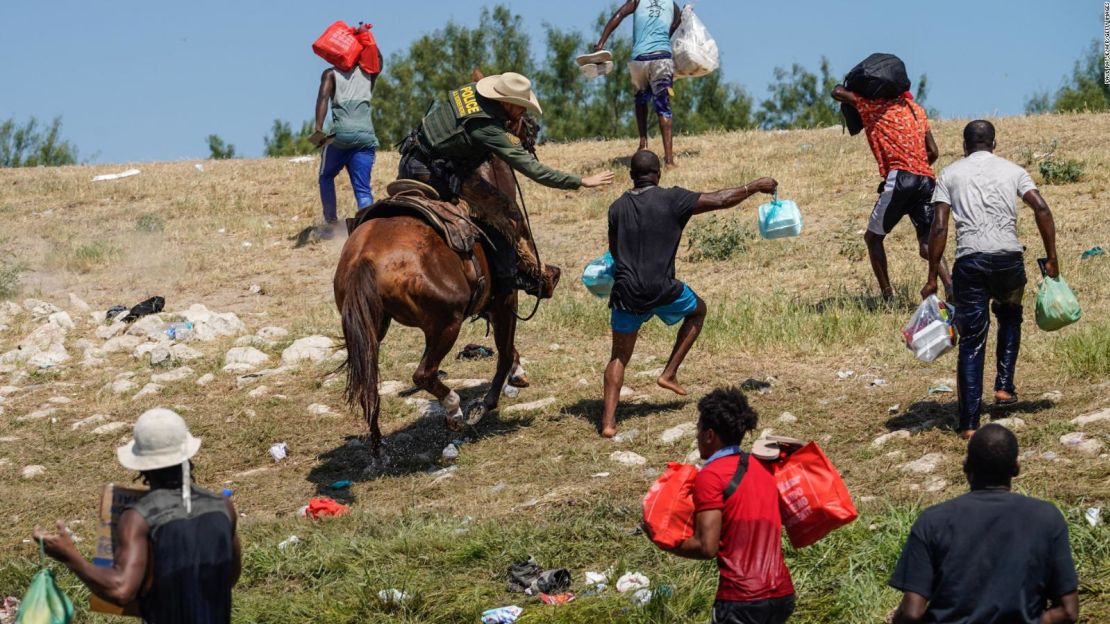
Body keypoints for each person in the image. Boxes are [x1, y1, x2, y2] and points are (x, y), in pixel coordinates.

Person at [601, 150, 776, 438]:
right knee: (698, 310)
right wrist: (753, 186)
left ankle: (608, 423)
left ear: (631, 176)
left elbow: (615, 251)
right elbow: (720, 199)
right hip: (662, 288)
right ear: (658, 174)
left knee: (618, 355)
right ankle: (668, 372)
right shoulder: (672, 198)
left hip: (626, 291)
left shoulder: (616, 207)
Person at [398, 72, 614, 298]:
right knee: (506, 213)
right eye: (521, 106)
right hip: (434, 173)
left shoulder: (473, 90)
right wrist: (580, 181)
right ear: (505, 102)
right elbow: (534, 170)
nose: (524, 111)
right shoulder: (489, 129)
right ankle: (511, 276)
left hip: (411, 156)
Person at [34, 408, 242, 624]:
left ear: (142, 465)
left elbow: (121, 589)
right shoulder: (223, 507)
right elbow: (230, 576)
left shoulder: (139, 518)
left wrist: (71, 557)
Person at [921, 120, 1060, 439]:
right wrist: (1052, 257)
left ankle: (970, 423)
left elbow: (939, 227)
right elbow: (1041, 209)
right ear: (994, 144)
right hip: (1008, 259)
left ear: (965, 146)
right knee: (1010, 315)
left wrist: (933, 276)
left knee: (971, 339)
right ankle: (1004, 387)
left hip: (970, 262)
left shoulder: (950, 174)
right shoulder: (1013, 171)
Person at [889, 424, 1079, 623]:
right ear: (1016, 468)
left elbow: (911, 614)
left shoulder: (933, 521)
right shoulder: (1046, 517)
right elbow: (1068, 611)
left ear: (966, 466)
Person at [666, 387, 796, 624]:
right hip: (782, 595)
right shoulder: (762, 467)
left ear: (709, 434)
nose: (697, 436)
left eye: (698, 429)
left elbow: (707, 547)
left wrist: (665, 542)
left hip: (741, 600)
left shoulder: (711, 476)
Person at [831, 83, 951, 300]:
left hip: (901, 179)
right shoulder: (916, 109)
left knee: (873, 238)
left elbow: (837, 93)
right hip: (926, 179)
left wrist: (849, 83)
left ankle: (887, 296)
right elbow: (933, 151)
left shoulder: (876, 106)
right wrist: (917, 167)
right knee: (927, 244)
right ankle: (950, 286)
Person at [594, 0, 683, 167]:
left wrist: (601, 43)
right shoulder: (673, 5)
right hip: (662, 57)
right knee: (663, 107)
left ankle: (643, 143)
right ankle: (669, 160)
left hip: (639, 58)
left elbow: (618, 15)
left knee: (640, 100)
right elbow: (677, 25)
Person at [310, 50, 384, 240]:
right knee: (363, 188)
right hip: (366, 136)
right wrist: (367, 38)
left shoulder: (330, 74)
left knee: (326, 176)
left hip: (341, 136)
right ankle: (369, 229)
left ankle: (332, 225)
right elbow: (378, 60)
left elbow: (322, 98)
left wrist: (318, 128)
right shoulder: (370, 74)